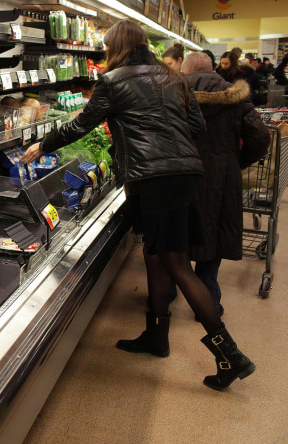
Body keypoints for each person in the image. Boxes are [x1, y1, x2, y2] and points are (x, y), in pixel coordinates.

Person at [21, 20, 255, 390]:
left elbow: (83, 124)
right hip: (183, 173)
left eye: (107, 44)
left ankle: (230, 355)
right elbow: (197, 125)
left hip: (153, 178)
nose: (104, 49)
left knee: (176, 262)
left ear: (118, 46)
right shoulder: (173, 78)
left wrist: (43, 145)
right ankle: (156, 336)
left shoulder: (114, 81)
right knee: (155, 254)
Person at [179, 52, 270, 318]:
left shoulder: (172, 93)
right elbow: (261, 137)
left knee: (176, 234)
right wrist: (235, 162)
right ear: (213, 69)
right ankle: (208, 303)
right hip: (222, 174)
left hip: (182, 172)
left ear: (186, 70)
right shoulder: (235, 95)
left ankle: (168, 295)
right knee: (213, 233)